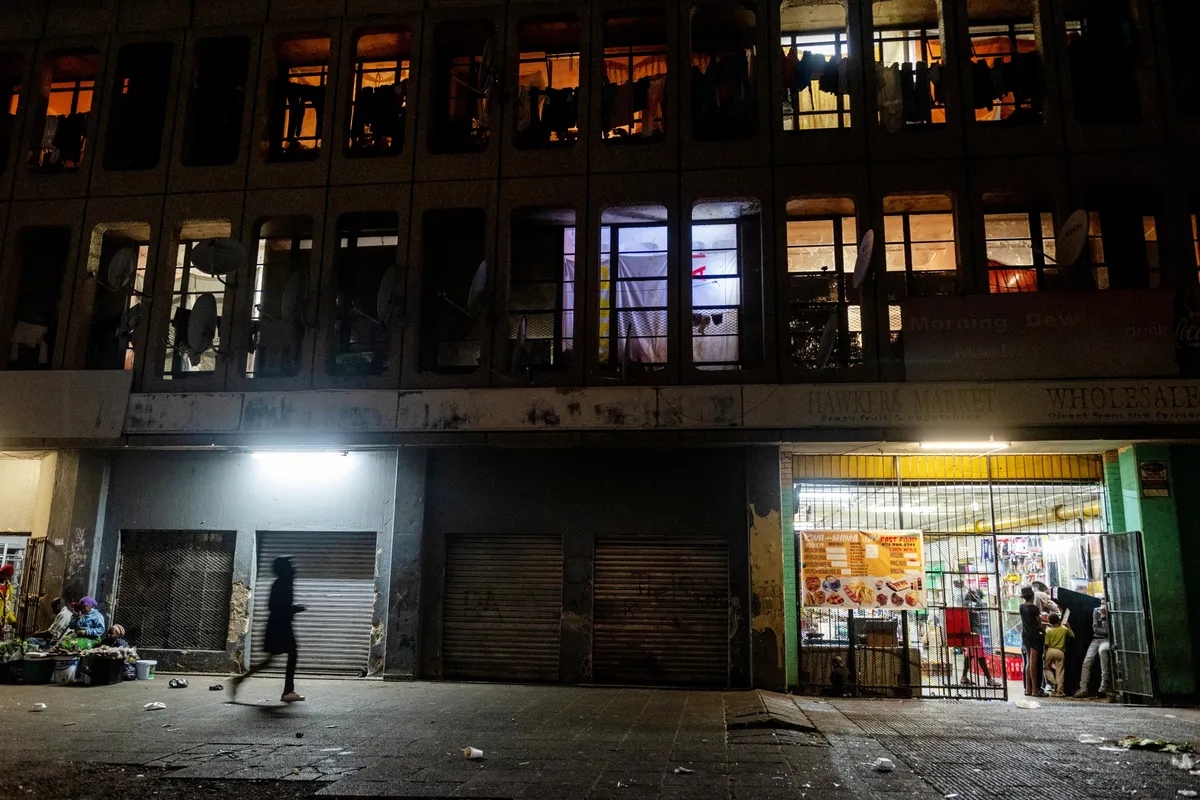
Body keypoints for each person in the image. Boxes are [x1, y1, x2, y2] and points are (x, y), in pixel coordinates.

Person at [230, 556, 306, 703]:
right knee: (291, 654)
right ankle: (288, 691)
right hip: (279, 626)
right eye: (290, 566)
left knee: (274, 659)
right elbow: (274, 606)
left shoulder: (284, 583)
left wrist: (292, 609)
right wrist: (294, 609)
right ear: (284, 570)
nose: (294, 568)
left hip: (279, 625)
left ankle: (239, 680)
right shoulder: (281, 584)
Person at [962, 588, 1002, 688]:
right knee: (981, 656)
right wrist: (976, 598)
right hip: (974, 633)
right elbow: (982, 606)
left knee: (969, 656)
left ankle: (964, 677)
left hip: (971, 633)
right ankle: (989, 679)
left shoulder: (967, 602)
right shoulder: (969, 603)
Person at [1075, 597, 1113, 699]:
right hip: (1096, 639)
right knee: (1087, 661)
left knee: (1103, 653)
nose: (1102, 606)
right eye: (1101, 603)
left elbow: (1107, 631)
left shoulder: (1111, 612)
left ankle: (1103, 686)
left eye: (1104, 604)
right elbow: (1095, 628)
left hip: (1106, 640)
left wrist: (1104, 616)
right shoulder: (1096, 611)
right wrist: (1104, 629)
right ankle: (1083, 689)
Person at [1019, 586, 1047, 697]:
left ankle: (1028, 689)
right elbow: (1039, 624)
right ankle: (1035, 690)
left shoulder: (1021, 607)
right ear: (1032, 596)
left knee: (1028, 662)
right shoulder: (1034, 608)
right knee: (1033, 663)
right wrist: (1045, 631)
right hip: (1034, 636)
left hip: (1025, 636)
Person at [1042, 612, 1073, 697]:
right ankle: (1059, 692)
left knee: (1046, 668)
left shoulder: (1048, 630)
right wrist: (1068, 626)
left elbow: (1046, 644)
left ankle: (1053, 682)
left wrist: (1044, 654)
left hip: (1050, 651)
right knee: (1060, 672)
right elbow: (1072, 635)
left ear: (1049, 621)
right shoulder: (1064, 630)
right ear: (1059, 620)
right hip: (1060, 652)